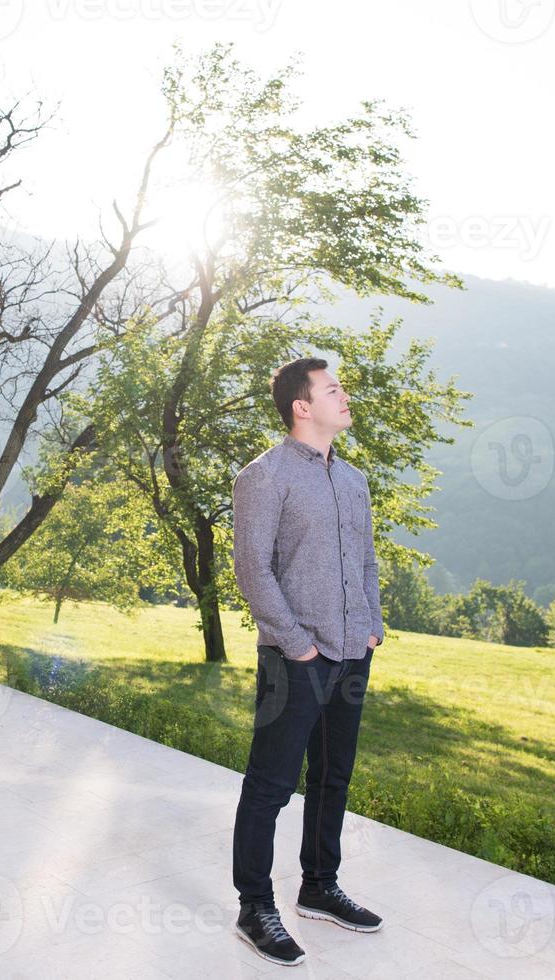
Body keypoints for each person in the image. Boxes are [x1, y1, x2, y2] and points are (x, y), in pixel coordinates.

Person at [229, 355, 386, 966]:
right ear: (302, 405)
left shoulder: (352, 480)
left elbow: (368, 563)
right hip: (292, 659)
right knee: (270, 785)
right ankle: (254, 905)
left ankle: (319, 886)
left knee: (332, 777)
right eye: (333, 389)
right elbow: (253, 570)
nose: (345, 397)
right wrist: (297, 644)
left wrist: (370, 628)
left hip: (352, 655)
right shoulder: (263, 477)